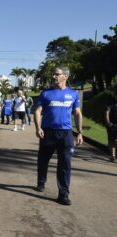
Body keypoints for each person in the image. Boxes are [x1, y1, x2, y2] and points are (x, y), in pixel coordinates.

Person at [34, 66, 83, 205]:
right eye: (54, 74)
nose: (54, 76)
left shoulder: (73, 94)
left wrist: (79, 132)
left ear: (65, 76)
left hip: (66, 134)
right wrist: (38, 128)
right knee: (43, 160)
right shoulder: (46, 93)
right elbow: (38, 111)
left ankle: (63, 194)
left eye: (57, 74)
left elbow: (77, 113)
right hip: (48, 132)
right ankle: (41, 182)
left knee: (65, 164)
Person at [104, 89, 117, 162]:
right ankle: (113, 156)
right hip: (112, 124)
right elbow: (106, 112)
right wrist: (108, 122)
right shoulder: (110, 102)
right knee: (112, 140)